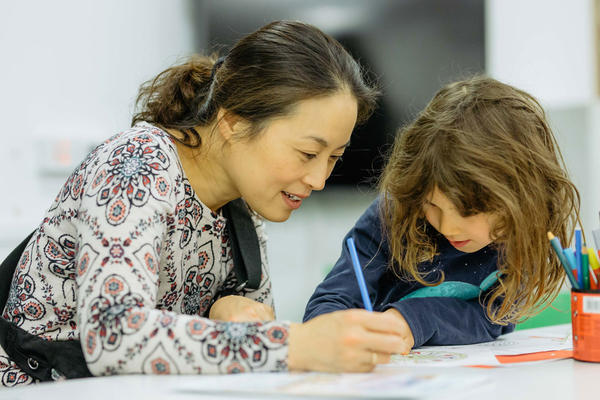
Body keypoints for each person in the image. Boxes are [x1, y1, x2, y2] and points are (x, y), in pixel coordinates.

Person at [0, 20, 412, 387]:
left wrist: (225, 311)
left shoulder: (243, 203)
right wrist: (294, 344)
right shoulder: (137, 164)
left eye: (334, 158)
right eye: (307, 153)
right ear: (232, 123)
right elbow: (113, 335)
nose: (319, 179)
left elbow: (241, 340)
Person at [304, 76, 580, 350]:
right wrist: (331, 334)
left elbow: (492, 320)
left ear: (519, 203)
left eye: (467, 211)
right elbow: (327, 306)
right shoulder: (393, 213)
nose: (448, 227)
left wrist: (412, 320)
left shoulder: (519, 240)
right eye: (431, 204)